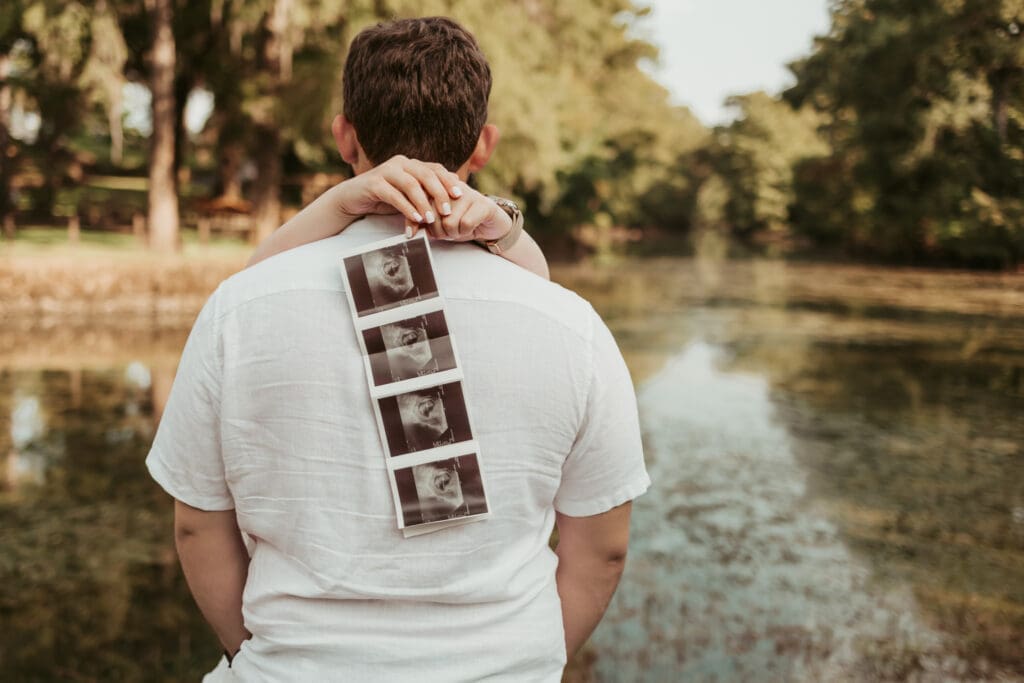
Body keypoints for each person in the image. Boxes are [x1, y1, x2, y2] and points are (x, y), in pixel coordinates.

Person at [147, 16, 649, 682]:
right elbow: (603, 552)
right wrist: (523, 663)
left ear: (343, 134)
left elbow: (196, 526)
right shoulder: (573, 328)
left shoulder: (238, 311)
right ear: (484, 144)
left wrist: (256, 655)